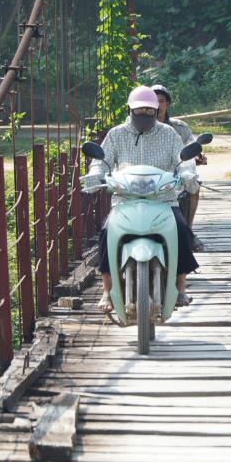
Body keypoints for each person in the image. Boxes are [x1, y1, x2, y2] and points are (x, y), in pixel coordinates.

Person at [82, 85, 201, 312]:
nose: (145, 115)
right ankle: (107, 290)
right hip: (125, 200)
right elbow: (102, 161)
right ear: (130, 110)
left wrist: (188, 173)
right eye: (140, 111)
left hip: (164, 199)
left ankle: (181, 288)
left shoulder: (169, 134)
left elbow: (183, 159)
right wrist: (94, 175)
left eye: (150, 111)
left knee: (181, 229)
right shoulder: (116, 134)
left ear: (158, 111)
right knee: (107, 232)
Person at [152, 84, 206, 251]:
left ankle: (188, 231)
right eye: (153, 101)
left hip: (173, 176)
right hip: (144, 178)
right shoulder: (136, 129)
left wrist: (196, 156)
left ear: (167, 104)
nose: (157, 105)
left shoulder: (179, 128)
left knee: (193, 187)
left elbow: (190, 145)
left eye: (161, 101)